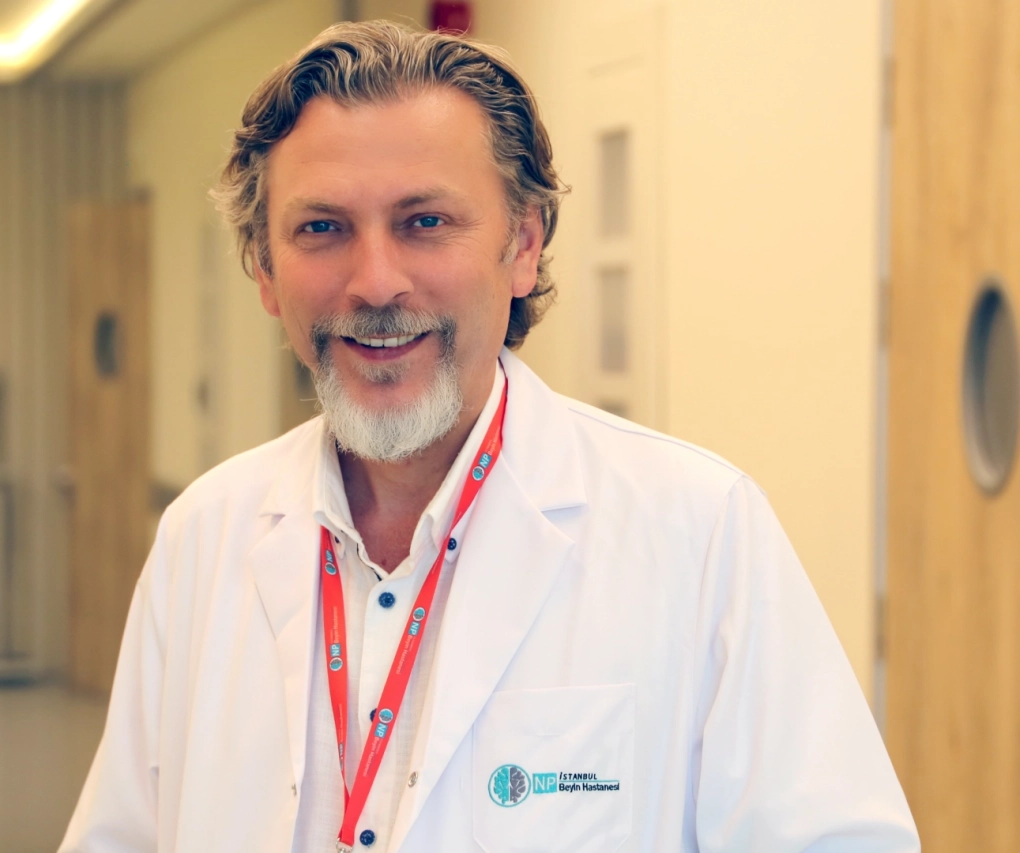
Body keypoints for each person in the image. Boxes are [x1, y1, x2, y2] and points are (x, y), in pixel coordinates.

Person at [60, 20, 919, 853]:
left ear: (523, 246)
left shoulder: (698, 533)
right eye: (322, 227)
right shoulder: (203, 537)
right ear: (264, 269)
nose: (375, 282)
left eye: (425, 221)